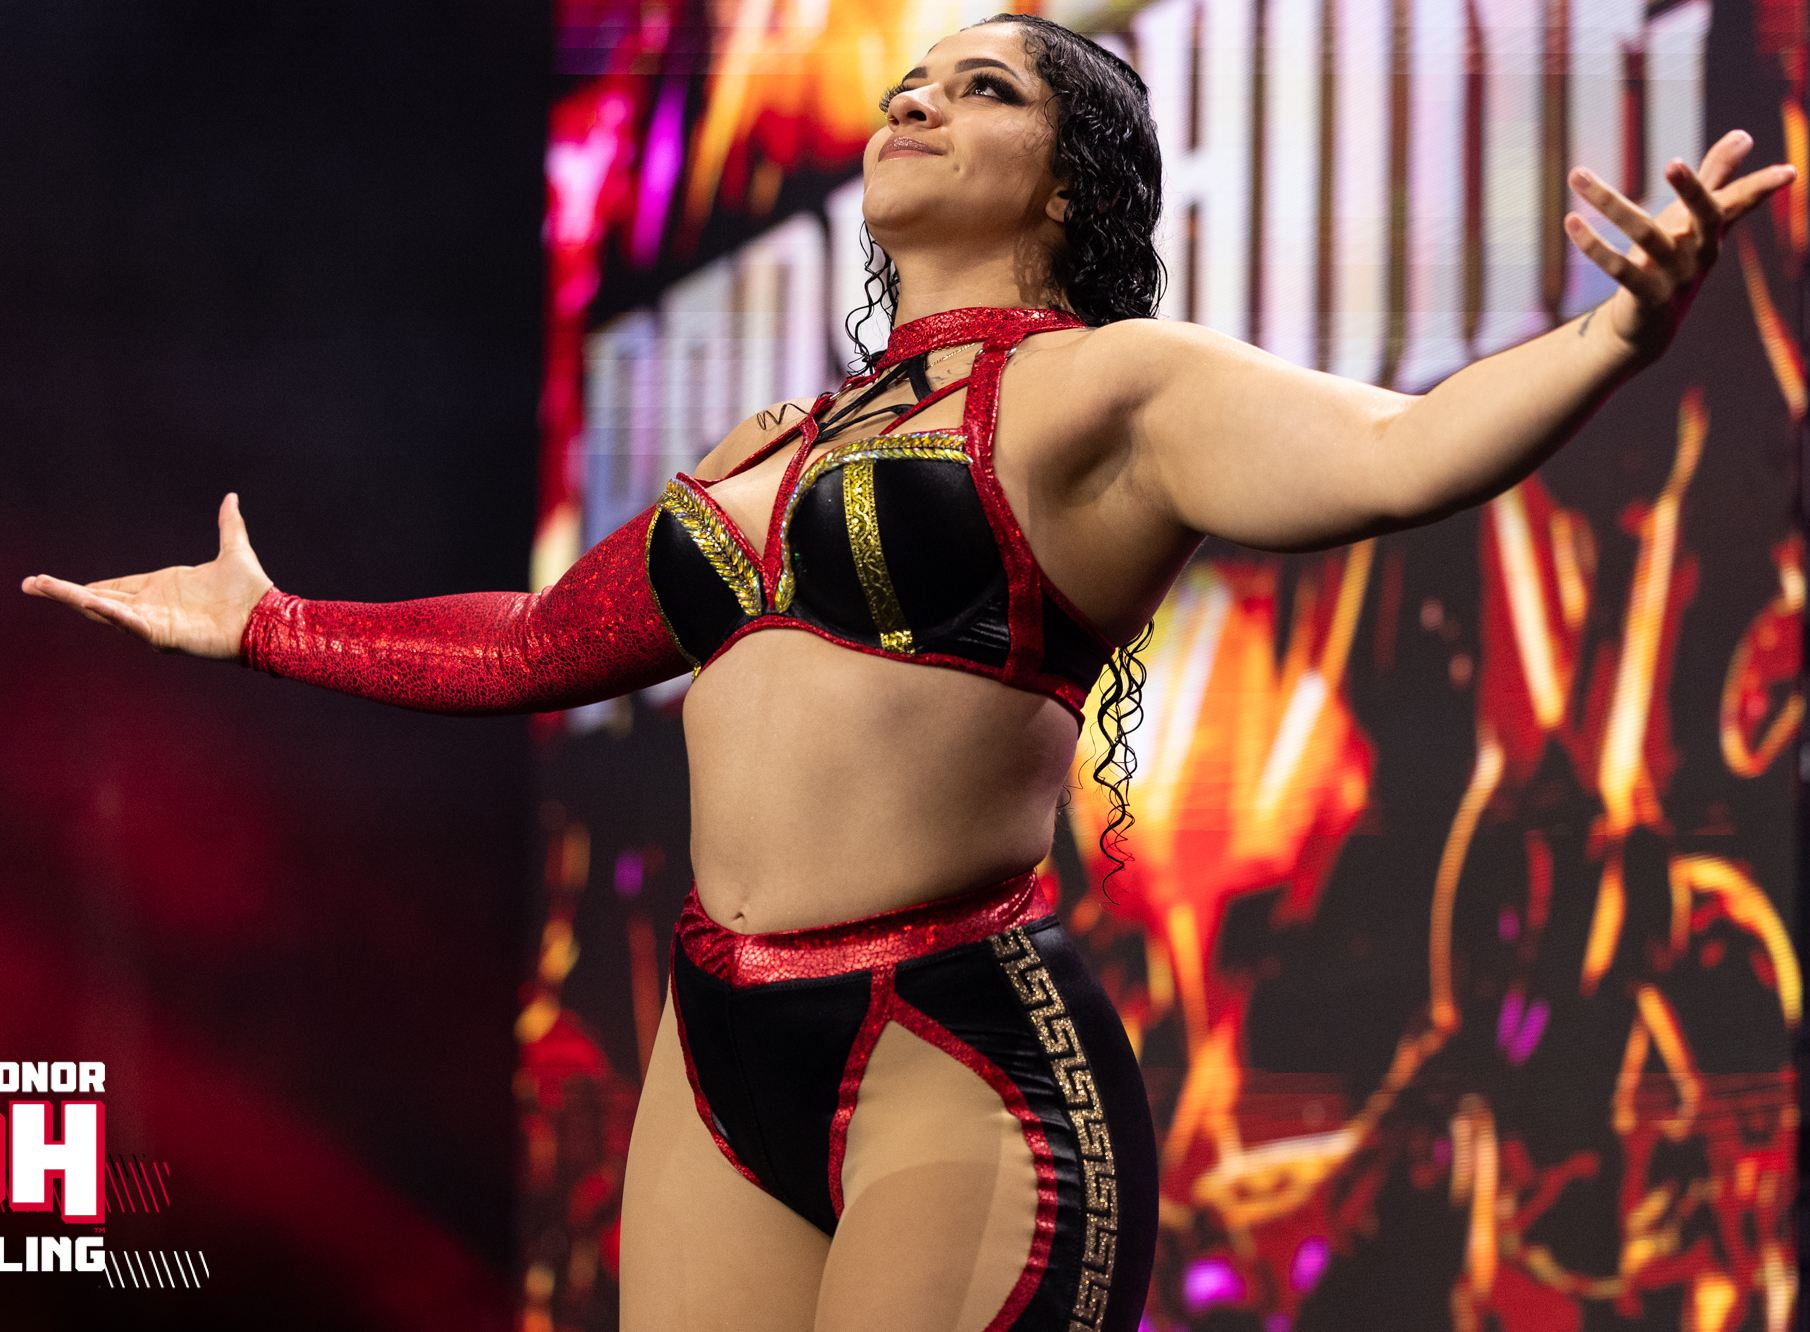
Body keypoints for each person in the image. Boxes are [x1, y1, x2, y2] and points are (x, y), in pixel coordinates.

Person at [21, 13, 1794, 1332]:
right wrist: (272, 624)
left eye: (985, 89)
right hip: (713, 1056)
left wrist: (1617, 330)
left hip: (952, 1049)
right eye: (910, 83)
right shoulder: (770, 442)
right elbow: (550, 640)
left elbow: (1401, 452)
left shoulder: (1114, 390)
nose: (915, 101)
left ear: (1071, 182)